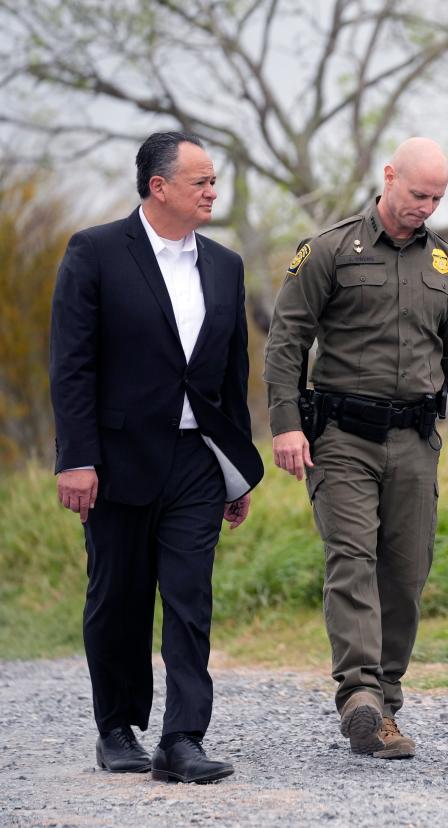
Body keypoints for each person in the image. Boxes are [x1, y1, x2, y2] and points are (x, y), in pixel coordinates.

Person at [49, 131, 264, 784]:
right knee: (118, 596)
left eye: (214, 180)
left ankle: (182, 739)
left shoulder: (225, 265)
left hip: (197, 461)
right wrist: (76, 458)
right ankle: (116, 727)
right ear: (158, 187)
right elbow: (72, 364)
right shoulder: (95, 253)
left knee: (190, 598)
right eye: (200, 180)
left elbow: (231, 376)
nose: (211, 191)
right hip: (116, 460)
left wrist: (234, 469)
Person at [263, 137, 448, 760]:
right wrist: (285, 424)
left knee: (406, 572)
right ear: (389, 177)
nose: (427, 207)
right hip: (341, 438)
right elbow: (286, 343)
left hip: (416, 440)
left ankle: (385, 696)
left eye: (438, 198)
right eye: (419, 194)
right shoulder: (330, 249)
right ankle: (359, 693)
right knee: (352, 557)